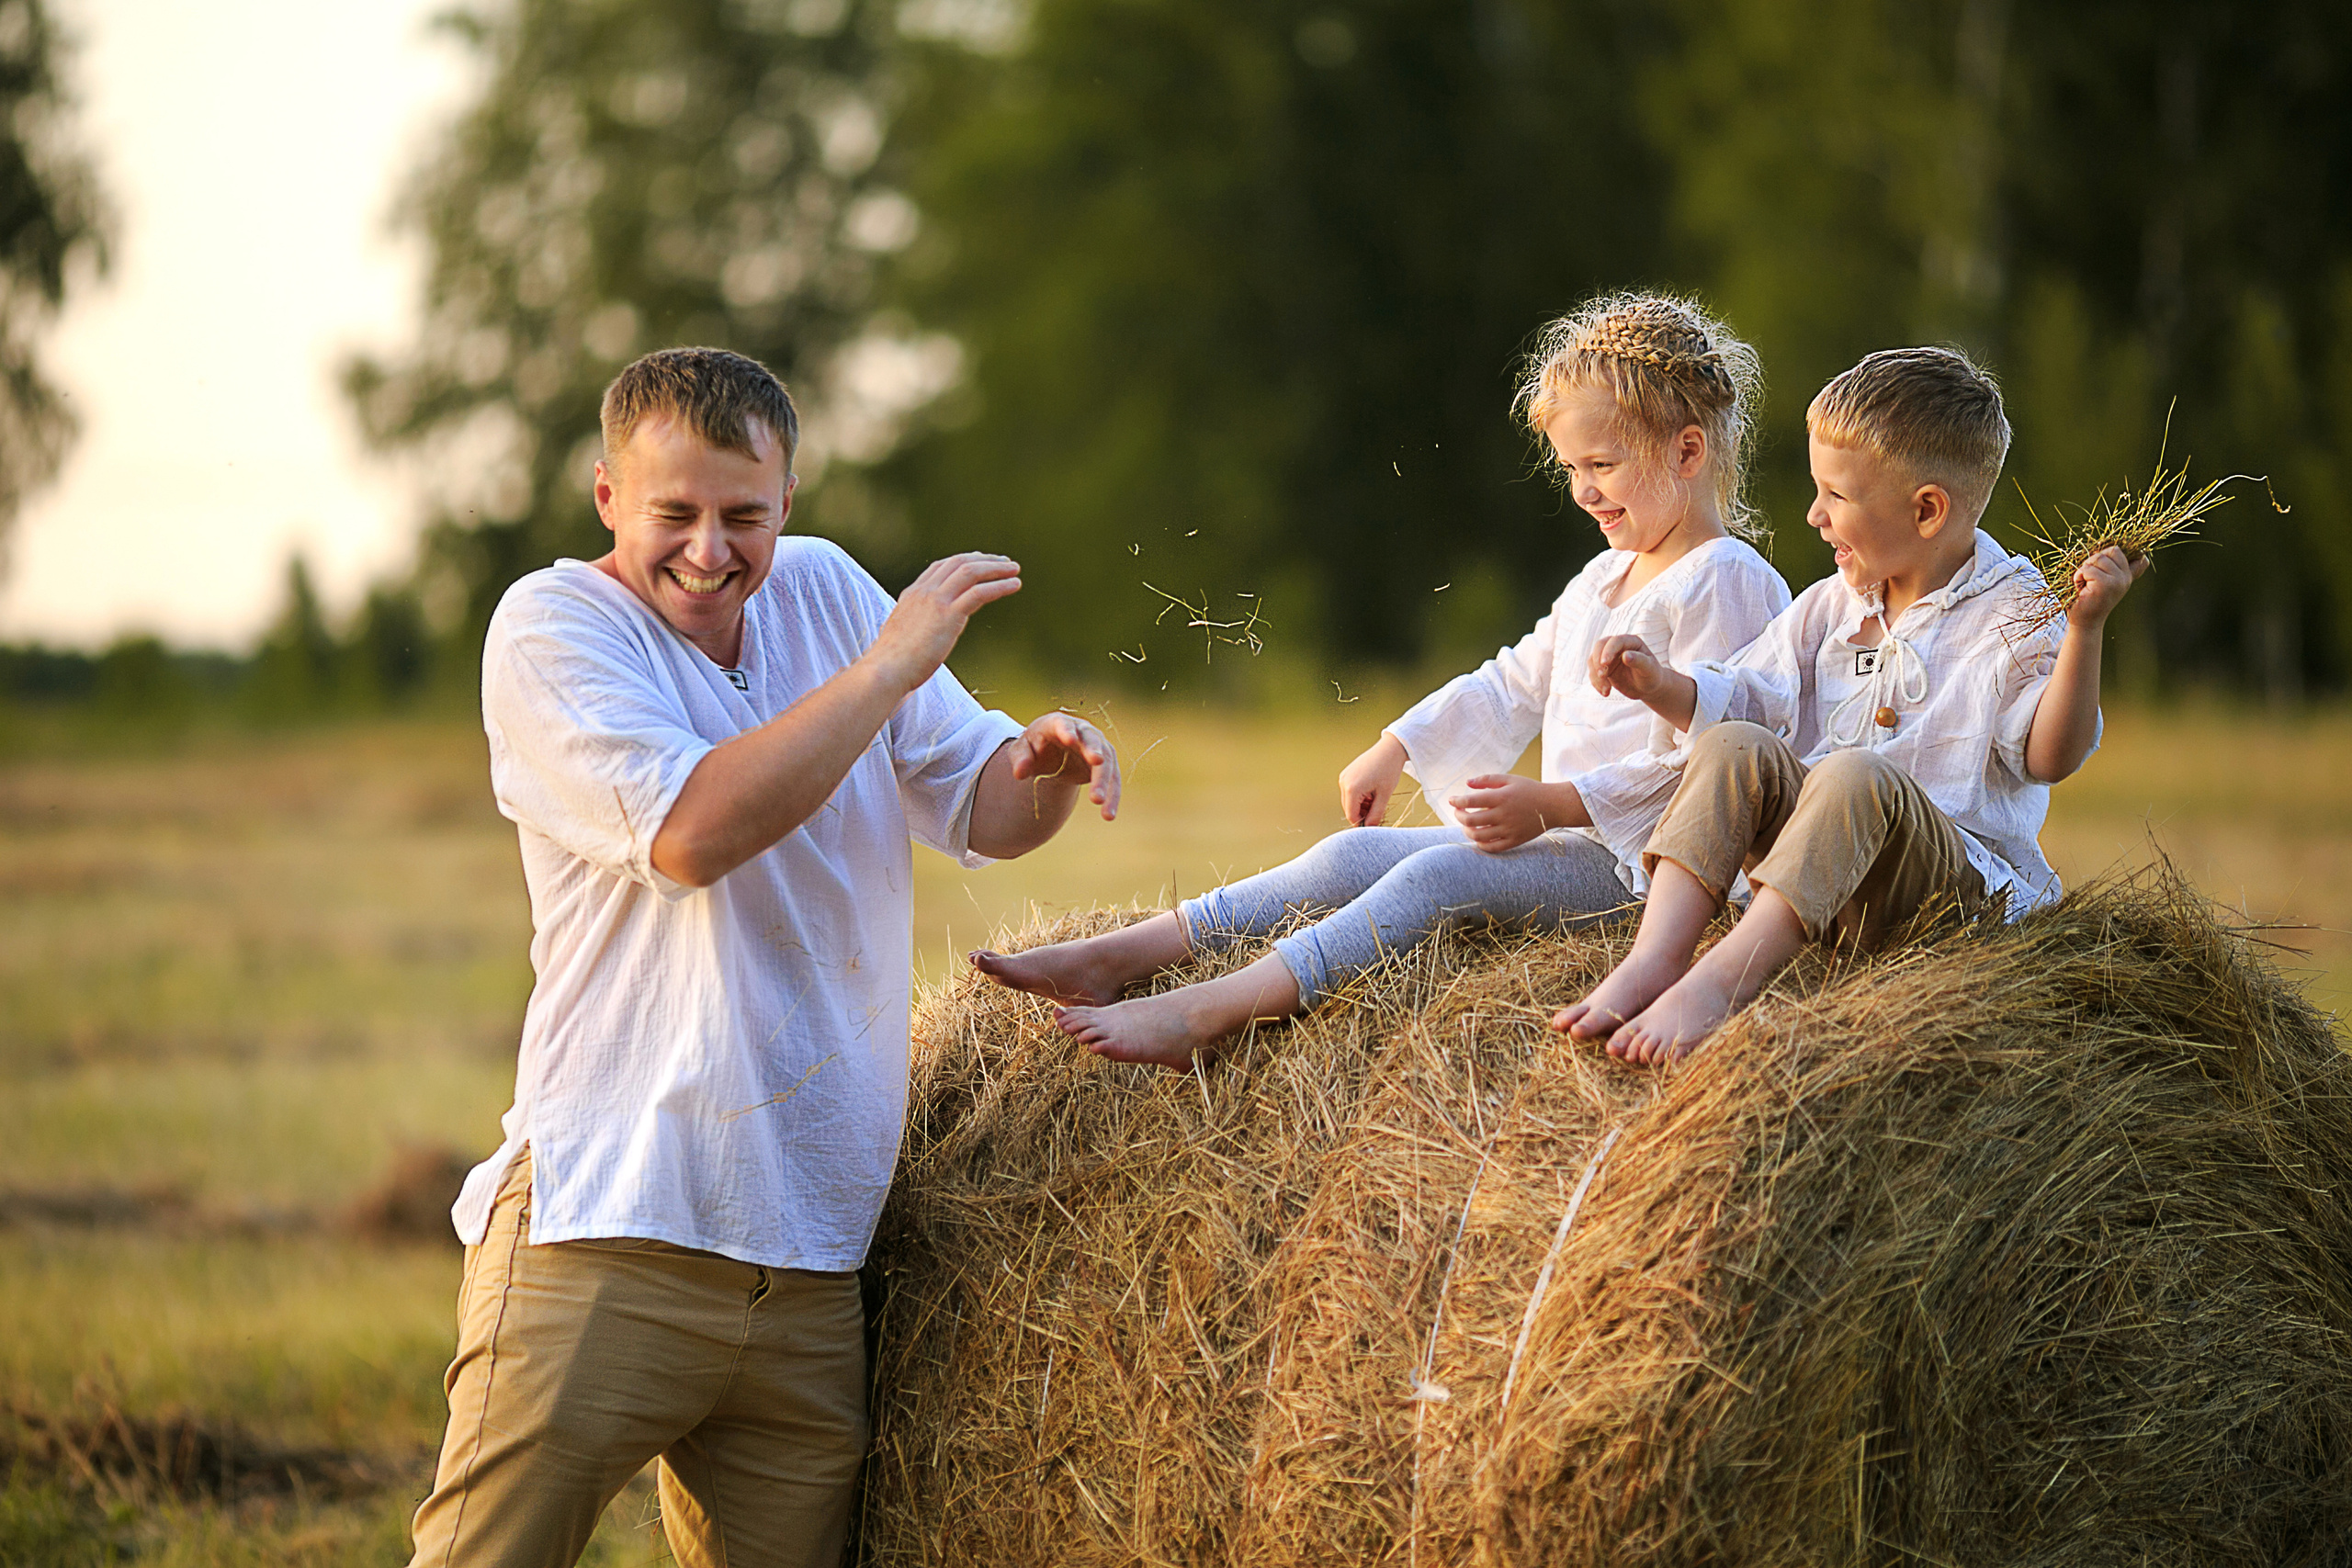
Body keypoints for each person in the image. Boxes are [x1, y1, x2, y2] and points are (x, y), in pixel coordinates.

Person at [404, 347, 1119, 1568]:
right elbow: (691, 832)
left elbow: (979, 808)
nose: (707, 548)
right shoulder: (553, 626)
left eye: (744, 515)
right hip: (611, 1227)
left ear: (788, 499)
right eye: (672, 513)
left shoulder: (832, 592)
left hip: (810, 1261)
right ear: (607, 498)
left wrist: (1043, 765)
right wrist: (892, 661)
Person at [971, 294, 1790, 1066]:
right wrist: (1397, 744)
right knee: (1349, 854)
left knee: (1435, 878)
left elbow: (1724, 767)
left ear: (1688, 450)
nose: (1582, 490)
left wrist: (1551, 804)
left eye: (1602, 463)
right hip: (1578, 840)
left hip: (1643, 871)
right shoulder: (1605, 577)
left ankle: (1210, 1011)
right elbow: (1513, 680)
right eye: (1571, 467)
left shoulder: (1727, 577)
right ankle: (1122, 952)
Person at [1554, 345, 2143, 1064]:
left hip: (1948, 900)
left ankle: (1722, 981)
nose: (1813, 515)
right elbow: (1748, 697)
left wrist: (2085, 630)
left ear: (1927, 510)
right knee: (1733, 743)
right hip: (1827, 877)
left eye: (1836, 496)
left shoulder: (2013, 613)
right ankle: (1655, 956)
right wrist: (1661, 685)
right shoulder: (1835, 604)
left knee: (1851, 774)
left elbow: (2051, 756)